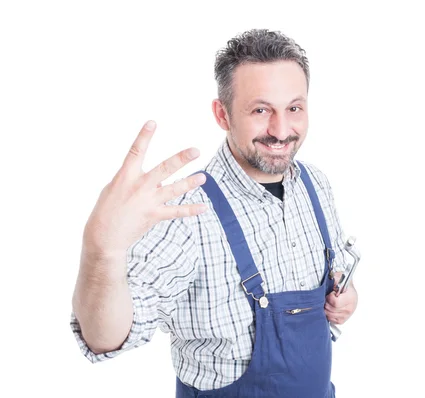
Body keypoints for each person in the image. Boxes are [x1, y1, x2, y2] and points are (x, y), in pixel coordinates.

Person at [70, 28, 358, 398]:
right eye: (260, 110)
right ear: (222, 114)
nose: (282, 130)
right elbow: (105, 337)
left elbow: (334, 278)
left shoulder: (315, 186)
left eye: (294, 108)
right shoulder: (186, 213)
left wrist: (344, 299)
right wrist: (100, 251)